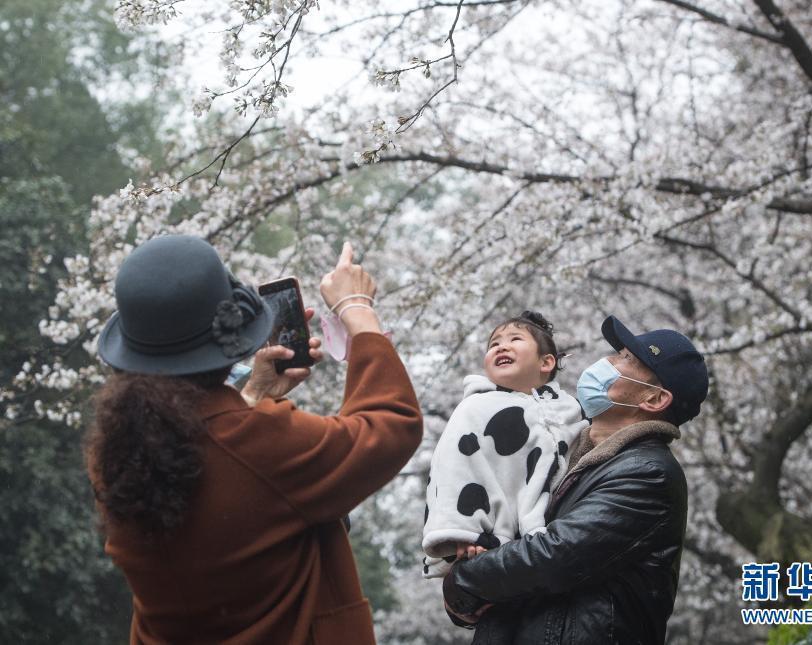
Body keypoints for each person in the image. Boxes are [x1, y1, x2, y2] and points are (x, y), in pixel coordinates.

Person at [85, 235, 423, 644]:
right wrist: (356, 310)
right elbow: (391, 424)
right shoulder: (260, 442)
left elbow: (217, 459)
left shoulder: (118, 455)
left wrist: (250, 396)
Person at [442, 315, 709, 645]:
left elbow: (552, 556)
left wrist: (463, 580)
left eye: (626, 359)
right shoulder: (557, 454)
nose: (606, 361)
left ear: (653, 399)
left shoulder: (648, 472)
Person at [422, 311, 588, 578]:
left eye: (515, 339)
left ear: (546, 362)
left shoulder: (567, 410)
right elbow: (453, 468)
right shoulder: (475, 408)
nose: (502, 346)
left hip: (551, 534)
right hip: (488, 537)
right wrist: (465, 531)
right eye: (494, 344)